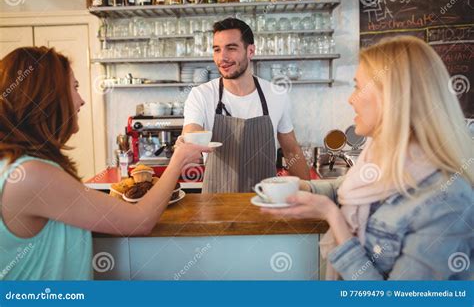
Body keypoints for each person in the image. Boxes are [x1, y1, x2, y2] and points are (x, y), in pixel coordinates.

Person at [263, 36, 474, 280]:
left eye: (358, 87)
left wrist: (333, 216)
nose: (350, 99)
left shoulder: (446, 201)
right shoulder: (384, 157)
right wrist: (304, 187)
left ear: (394, 98)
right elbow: (351, 187)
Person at [0, 47, 212, 280]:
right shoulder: (31, 174)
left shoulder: (15, 164)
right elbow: (139, 222)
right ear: (47, 97)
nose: (80, 101)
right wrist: (178, 159)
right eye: (74, 88)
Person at [181, 18, 310, 193]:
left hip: (265, 201)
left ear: (250, 51)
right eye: (217, 50)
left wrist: (310, 193)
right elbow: (191, 132)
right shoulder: (201, 95)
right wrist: (188, 141)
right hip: (216, 204)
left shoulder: (276, 95)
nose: (222, 57)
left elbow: (292, 150)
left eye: (231, 48)